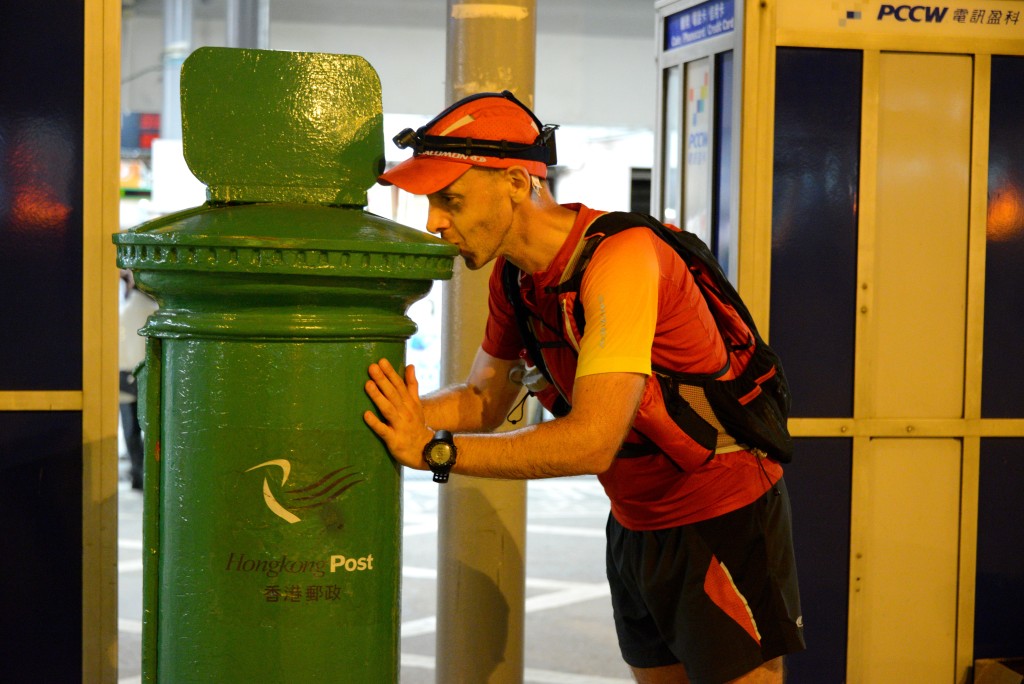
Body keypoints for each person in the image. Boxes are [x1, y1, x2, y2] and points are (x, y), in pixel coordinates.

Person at [363, 91, 805, 683]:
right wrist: (398, 415)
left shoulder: (620, 262)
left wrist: (435, 450)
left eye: (451, 198)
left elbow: (592, 439)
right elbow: (483, 399)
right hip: (634, 521)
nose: (435, 222)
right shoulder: (516, 280)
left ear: (517, 183)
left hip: (719, 517)